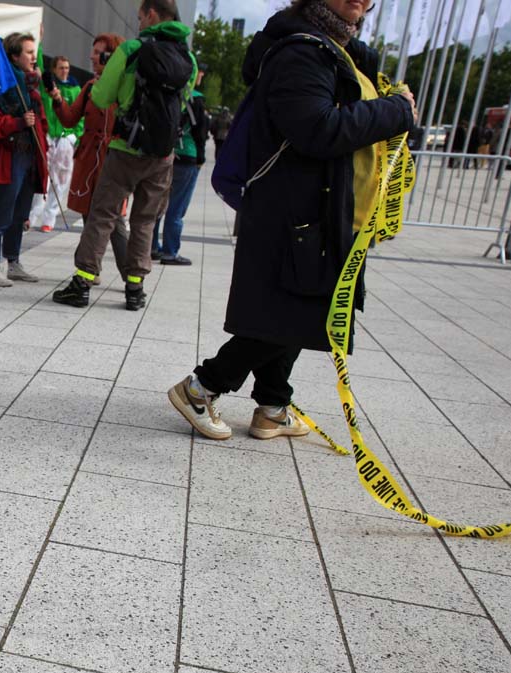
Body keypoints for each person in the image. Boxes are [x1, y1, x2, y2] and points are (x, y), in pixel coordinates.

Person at [167, 0, 415, 441]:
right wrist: (396, 111)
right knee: (297, 314)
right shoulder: (302, 50)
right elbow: (316, 129)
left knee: (297, 307)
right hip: (299, 211)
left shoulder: (339, 50)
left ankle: (273, 405)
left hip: (324, 210)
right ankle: (201, 388)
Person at [52, 0, 193, 312]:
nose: (139, 23)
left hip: (125, 149)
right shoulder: (188, 57)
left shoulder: (130, 50)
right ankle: (134, 289)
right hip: (163, 154)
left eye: (140, 16)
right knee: (144, 221)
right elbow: (184, 104)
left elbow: (101, 97)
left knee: (102, 215)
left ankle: (83, 282)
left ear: (152, 15)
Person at [49, 33, 129, 286]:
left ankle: (130, 275)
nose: (92, 57)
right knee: (87, 212)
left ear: (111, 56)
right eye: (93, 52)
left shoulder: (125, 87)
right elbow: (70, 119)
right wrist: (58, 101)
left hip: (113, 158)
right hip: (88, 159)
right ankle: (90, 269)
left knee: (114, 219)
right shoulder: (90, 86)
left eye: (97, 52)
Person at [0, 32, 48, 287]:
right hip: (9, 157)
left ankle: (14, 261)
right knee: (1, 214)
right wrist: (18, 122)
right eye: (29, 52)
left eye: (34, 51)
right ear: (15, 57)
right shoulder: (2, 88)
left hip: (29, 158)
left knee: (20, 215)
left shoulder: (32, 89)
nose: (34, 57)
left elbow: (42, 124)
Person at [153, 65, 209, 266]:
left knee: (158, 204)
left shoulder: (170, 92)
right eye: (200, 72)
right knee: (177, 207)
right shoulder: (196, 98)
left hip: (166, 154)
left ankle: (152, 246)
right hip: (187, 157)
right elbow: (200, 132)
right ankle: (170, 251)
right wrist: (201, 158)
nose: (201, 75)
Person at [29, 56, 83, 233]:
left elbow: (81, 115)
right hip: (49, 137)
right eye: (61, 68)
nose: (65, 71)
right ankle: (32, 216)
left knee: (61, 179)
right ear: (54, 69)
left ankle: (49, 218)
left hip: (66, 139)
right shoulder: (47, 88)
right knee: (43, 177)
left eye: (67, 67)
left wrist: (75, 136)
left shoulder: (76, 89)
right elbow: (39, 64)